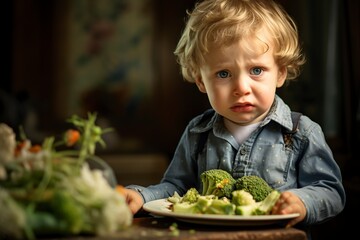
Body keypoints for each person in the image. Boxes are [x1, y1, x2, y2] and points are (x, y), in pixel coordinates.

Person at [123, 0, 346, 238]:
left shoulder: (301, 132)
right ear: (200, 80)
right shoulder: (197, 132)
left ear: (280, 72)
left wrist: (302, 203)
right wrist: (142, 196)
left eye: (256, 70)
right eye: (223, 73)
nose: (241, 87)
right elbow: (176, 188)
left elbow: (331, 191)